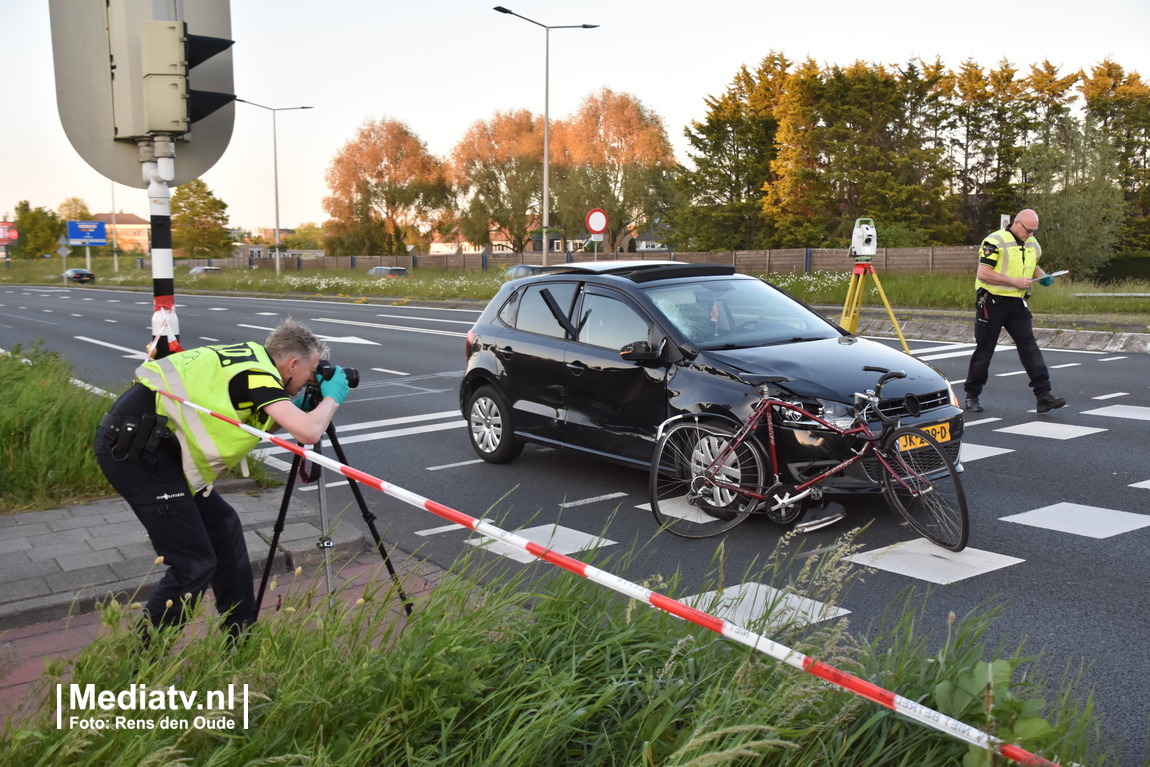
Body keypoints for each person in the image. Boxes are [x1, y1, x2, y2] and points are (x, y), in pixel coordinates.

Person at [94, 318, 351, 639]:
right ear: (293, 363)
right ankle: (140, 663)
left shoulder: (251, 359)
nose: (310, 381)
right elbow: (309, 431)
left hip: (155, 444)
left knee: (224, 526)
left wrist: (299, 405)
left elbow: (262, 424)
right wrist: (332, 398)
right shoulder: (259, 376)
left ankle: (241, 634)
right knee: (193, 564)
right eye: (310, 374)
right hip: (138, 451)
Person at [963, 209, 1066, 414]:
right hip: (992, 302)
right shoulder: (994, 241)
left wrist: (1043, 276)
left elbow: (1032, 265)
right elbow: (984, 274)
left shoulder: (1032, 243)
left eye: (1034, 231)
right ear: (1017, 223)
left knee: (1029, 347)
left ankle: (1043, 396)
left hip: (1017, 302)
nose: (1031, 235)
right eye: (1029, 230)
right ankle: (972, 395)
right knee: (985, 350)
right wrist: (1014, 281)